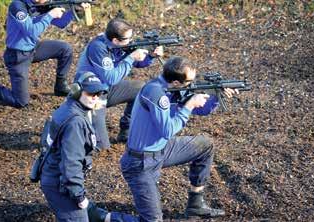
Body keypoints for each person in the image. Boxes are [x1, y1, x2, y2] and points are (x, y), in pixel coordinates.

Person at [120, 56, 239, 221]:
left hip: (161, 150)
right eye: (190, 81)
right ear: (176, 82)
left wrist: (217, 96)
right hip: (139, 162)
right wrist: (189, 105)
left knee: (205, 146)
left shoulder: (172, 89)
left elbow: (202, 110)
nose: (193, 84)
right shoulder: (155, 93)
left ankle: (195, 205)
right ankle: (103, 216)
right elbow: (167, 131)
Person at [40, 71, 139, 222]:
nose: (95, 97)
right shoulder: (76, 123)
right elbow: (71, 164)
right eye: (91, 93)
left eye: (98, 94)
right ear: (76, 91)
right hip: (61, 185)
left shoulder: (68, 108)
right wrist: (78, 196)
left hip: (55, 178)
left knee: (90, 213)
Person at [75, 17, 164, 149]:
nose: (131, 41)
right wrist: (131, 57)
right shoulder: (98, 47)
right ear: (115, 40)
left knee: (141, 88)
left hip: (106, 89)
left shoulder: (118, 43)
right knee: (102, 146)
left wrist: (150, 56)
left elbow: (138, 62)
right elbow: (112, 78)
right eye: (127, 39)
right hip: (89, 95)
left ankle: (126, 130)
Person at [0, 0, 87, 108]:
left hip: (33, 48)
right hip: (17, 55)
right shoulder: (17, 6)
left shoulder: (42, 5)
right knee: (21, 101)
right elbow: (31, 31)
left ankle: (60, 86)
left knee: (65, 49)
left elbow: (61, 23)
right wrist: (50, 14)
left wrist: (75, 11)